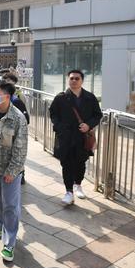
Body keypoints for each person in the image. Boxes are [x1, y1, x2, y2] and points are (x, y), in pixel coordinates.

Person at [0, 80, 28, 263]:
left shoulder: (18, 118)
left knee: (10, 205)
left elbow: (21, 149)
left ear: (7, 96)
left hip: (9, 170)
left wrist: (13, 171)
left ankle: (9, 241)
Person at [48, 69, 103, 205]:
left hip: (82, 137)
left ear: (82, 81)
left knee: (81, 162)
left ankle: (78, 184)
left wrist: (88, 125)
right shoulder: (61, 97)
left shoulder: (90, 97)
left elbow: (97, 115)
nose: (74, 81)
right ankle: (68, 192)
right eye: (71, 78)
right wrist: (59, 127)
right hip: (65, 136)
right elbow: (53, 113)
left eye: (77, 78)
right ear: (68, 80)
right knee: (66, 164)